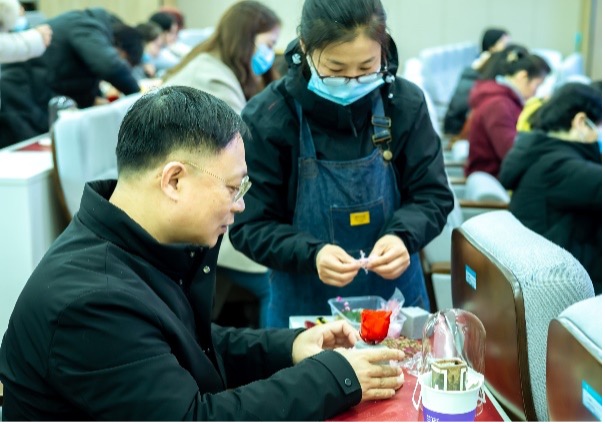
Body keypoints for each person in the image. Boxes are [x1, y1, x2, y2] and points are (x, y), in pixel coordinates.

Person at [0, 86, 406, 420]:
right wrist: (334, 377)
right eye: (233, 188)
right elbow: (193, 418)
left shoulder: (135, 245)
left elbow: (187, 347)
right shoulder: (91, 301)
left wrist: (290, 346)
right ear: (174, 180)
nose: (240, 205)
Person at [229, 0, 454, 328]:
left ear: (383, 49)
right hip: (306, 309)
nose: (352, 81)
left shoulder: (403, 104)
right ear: (305, 48)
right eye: (335, 71)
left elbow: (433, 195)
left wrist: (403, 236)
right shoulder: (270, 117)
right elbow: (249, 225)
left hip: (396, 307)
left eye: (366, 68)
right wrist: (312, 253)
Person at [164, 1, 281, 328]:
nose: (270, 54)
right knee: (275, 278)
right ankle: (287, 355)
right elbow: (238, 155)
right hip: (199, 206)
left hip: (200, 194)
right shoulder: (213, 81)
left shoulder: (212, 68)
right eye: (268, 44)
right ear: (246, 38)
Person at [499, 82, 602, 294]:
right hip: (562, 287)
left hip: (551, 273)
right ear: (581, 122)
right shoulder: (558, 167)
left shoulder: (540, 151)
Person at [0, 8, 141, 148]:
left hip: (30, 94)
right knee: (29, 154)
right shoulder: (86, 25)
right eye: (125, 61)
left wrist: (91, 98)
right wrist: (139, 98)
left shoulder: (90, 27)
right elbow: (109, 66)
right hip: (20, 95)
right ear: (120, 48)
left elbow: (75, 76)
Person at [464, 45, 551, 177]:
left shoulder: (505, 99)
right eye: (537, 85)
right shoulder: (499, 105)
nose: (536, 92)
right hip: (496, 178)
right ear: (522, 76)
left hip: (499, 175)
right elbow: (511, 154)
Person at [443, 27, 510, 137]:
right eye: (503, 43)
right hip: (462, 127)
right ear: (492, 46)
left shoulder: (486, 66)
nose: (507, 48)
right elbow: (460, 106)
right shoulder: (482, 68)